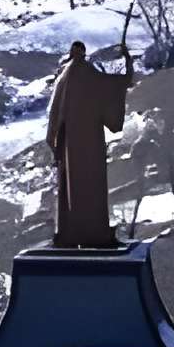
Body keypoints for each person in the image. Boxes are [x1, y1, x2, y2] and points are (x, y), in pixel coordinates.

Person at [43, 39, 133, 248]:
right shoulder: (88, 74)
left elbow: (54, 116)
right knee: (92, 184)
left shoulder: (64, 77)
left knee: (72, 186)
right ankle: (94, 231)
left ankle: (71, 231)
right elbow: (115, 85)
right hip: (90, 140)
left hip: (68, 144)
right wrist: (127, 62)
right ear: (82, 53)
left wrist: (56, 144)